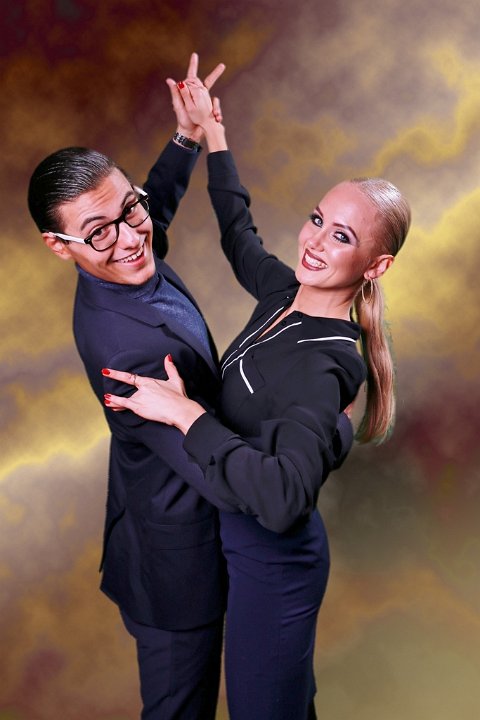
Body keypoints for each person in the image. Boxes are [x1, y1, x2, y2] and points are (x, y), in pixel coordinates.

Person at [103, 76, 411, 720]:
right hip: (233, 550)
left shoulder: (327, 362)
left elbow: (281, 497)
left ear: (376, 266)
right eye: (318, 220)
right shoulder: (284, 294)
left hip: (275, 569)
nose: (315, 242)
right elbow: (237, 231)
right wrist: (213, 135)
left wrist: (186, 414)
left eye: (342, 237)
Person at [27, 55, 232, 720]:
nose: (131, 238)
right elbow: (220, 479)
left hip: (159, 522)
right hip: (178, 570)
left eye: (129, 208)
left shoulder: (121, 249)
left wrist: (187, 137)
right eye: (98, 232)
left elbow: (151, 207)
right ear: (60, 246)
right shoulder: (126, 351)